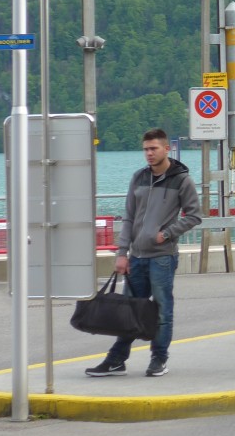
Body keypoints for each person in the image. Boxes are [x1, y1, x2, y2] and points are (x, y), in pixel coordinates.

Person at [86, 128, 202, 378]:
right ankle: (117, 360)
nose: (149, 153)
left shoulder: (182, 180)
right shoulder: (138, 177)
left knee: (162, 310)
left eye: (153, 148)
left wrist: (167, 234)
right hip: (136, 257)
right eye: (146, 149)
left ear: (166, 149)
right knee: (128, 311)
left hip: (162, 257)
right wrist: (122, 253)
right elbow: (128, 217)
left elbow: (194, 215)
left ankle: (159, 359)